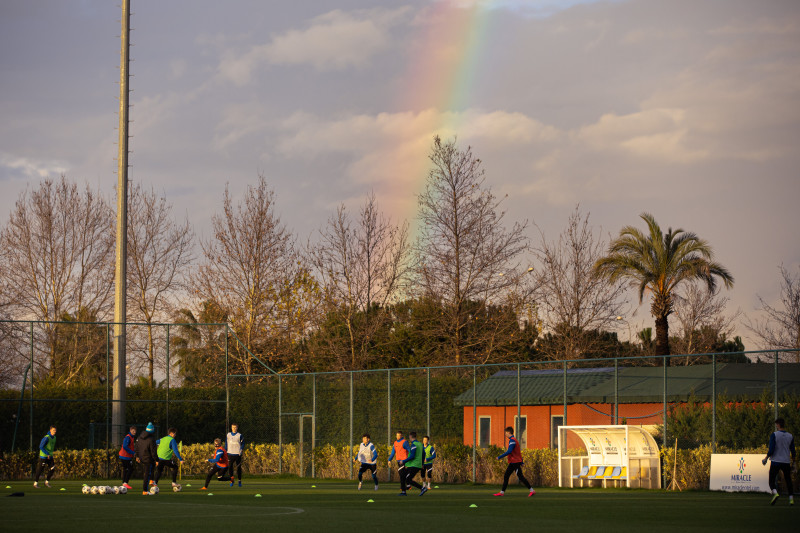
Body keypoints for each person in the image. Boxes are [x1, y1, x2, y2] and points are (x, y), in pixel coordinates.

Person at [762, 417, 796, 506]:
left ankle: (775, 493)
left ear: (778, 425)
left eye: (776, 424)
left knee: (771, 480)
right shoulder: (790, 436)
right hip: (786, 461)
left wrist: (766, 458)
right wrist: (794, 462)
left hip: (775, 461)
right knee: (788, 480)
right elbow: (793, 450)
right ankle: (791, 499)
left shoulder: (774, 435)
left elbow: (771, 449)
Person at [494, 426, 535, 497]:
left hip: (515, 462)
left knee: (520, 477)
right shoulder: (514, 440)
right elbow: (518, 452)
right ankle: (502, 492)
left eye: (506, 433)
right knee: (506, 476)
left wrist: (499, 457)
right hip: (513, 462)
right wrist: (521, 462)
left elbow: (509, 451)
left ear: (509, 432)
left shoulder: (512, 440)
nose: (505, 434)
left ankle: (532, 490)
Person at [400, 431, 427, 496]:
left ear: (410, 436)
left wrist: (403, 461)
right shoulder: (420, 444)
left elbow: (412, 456)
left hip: (414, 465)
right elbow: (424, 454)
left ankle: (422, 488)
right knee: (403, 476)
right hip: (416, 465)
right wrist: (422, 463)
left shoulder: (414, 444)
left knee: (408, 479)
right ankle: (403, 492)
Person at [134, 422, 158, 495]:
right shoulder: (151, 439)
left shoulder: (139, 437)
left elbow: (136, 447)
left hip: (141, 458)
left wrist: (137, 456)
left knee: (149, 470)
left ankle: (151, 480)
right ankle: (145, 490)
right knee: (147, 474)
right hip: (148, 458)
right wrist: (157, 460)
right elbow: (153, 451)